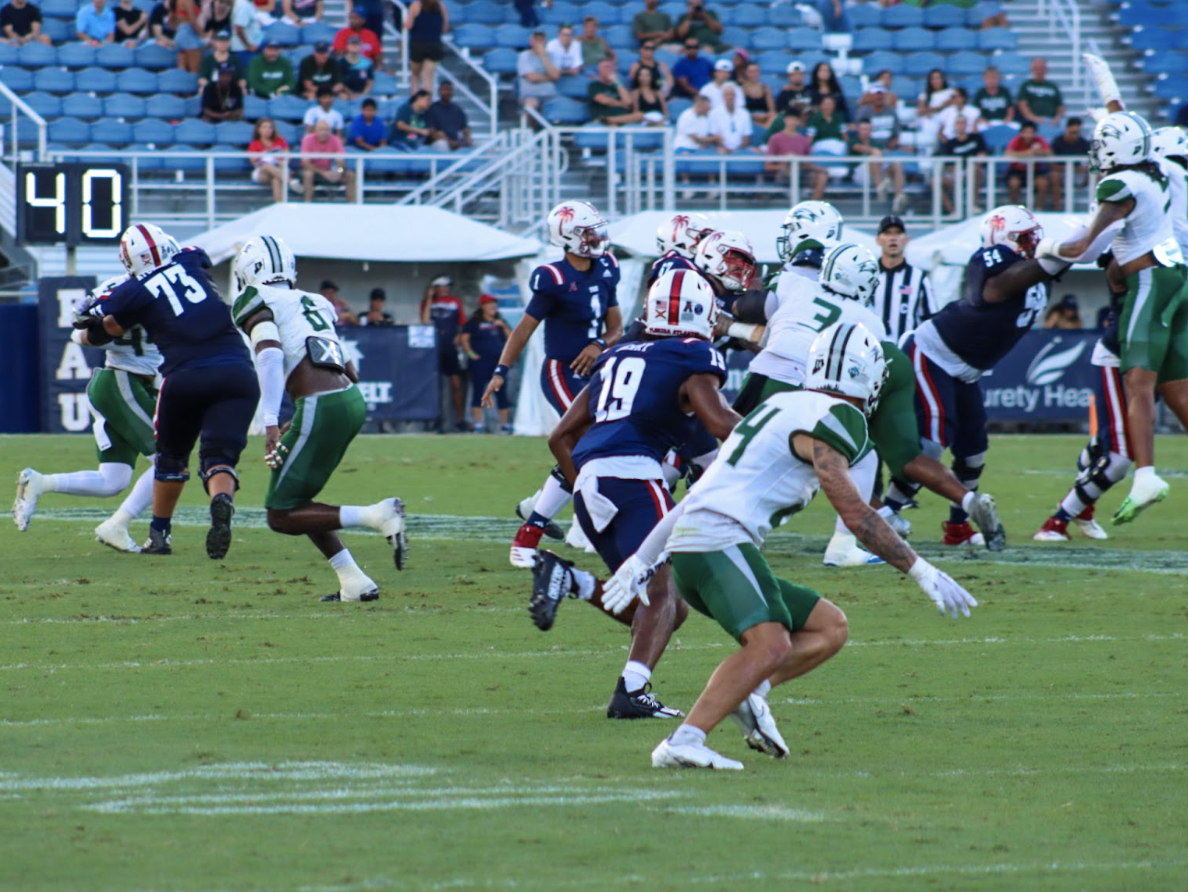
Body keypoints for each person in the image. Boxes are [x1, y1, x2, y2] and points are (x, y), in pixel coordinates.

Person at [600, 321, 977, 770]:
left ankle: (750, 694)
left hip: (697, 546)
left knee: (828, 627)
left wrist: (644, 558)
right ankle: (684, 740)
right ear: (867, 374)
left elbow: (699, 494)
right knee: (770, 646)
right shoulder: (840, 417)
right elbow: (856, 515)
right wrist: (923, 571)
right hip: (719, 540)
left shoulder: (776, 406)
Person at [733, 210, 1005, 558]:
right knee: (867, 457)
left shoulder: (792, 284)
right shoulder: (868, 319)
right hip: (883, 363)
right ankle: (941, 505)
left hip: (787, 379)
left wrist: (726, 323)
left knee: (749, 456)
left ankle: (847, 532)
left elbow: (756, 321)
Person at [539, 269, 740, 720]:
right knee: (664, 585)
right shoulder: (693, 354)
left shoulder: (618, 353)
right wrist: (779, 439)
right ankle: (631, 691)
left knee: (664, 606)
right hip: (634, 476)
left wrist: (586, 487)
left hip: (589, 480)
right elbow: (719, 423)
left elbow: (560, 437)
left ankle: (573, 582)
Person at [232, 235, 407, 602]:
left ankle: (377, 514)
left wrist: (269, 422)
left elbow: (269, 355)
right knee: (301, 500)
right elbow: (348, 366)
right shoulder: (315, 301)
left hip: (319, 404)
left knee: (281, 515)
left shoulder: (254, 299)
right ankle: (354, 581)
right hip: (348, 398)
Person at [71, 224, 260, 558]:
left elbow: (101, 326)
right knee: (219, 456)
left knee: (170, 458)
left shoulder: (133, 290)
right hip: (238, 371)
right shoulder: (191, 259)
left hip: (185, 375)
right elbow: (195, 257)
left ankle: (160, 535)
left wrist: (86, 316)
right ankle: (222, 499)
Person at [1038, 109, 1188, 524]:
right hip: (1176, 278)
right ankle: (1125, 471)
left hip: (1149, 281)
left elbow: (1081, 249)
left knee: (1137, 381)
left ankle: (1146, 475)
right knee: (1178, 387)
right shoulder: (1157, 171)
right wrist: (1112, 103)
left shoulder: (1119, 183)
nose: (1096, 152)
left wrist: (1042, 247)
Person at [886, 206, 1069, 546]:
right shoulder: (986, 262)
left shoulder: (1034, 273)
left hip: (967, 370)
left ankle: (958, 527)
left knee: (973, 452)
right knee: (932, 442)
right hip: (932, 352)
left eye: (1034, 238)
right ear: (1000, 237)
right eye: (1024, 239)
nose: (1033, 245)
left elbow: (1072, 253)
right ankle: (887, 512)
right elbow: (991, 291)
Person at [482, 200, 623, 567]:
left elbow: (616, 328)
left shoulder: (607, 266)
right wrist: (501, 371)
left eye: (596, 229)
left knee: (600, 440)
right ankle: (578, 516)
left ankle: (537, 511)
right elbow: (523, 330)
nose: (596, 237)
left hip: (600, 370)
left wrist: (600, 344)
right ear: (567, 236)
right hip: (562, 372)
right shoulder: (553, 277)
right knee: (589, 440)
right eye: (587, 232)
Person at [13, 275, 159, 551]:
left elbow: (78, 333)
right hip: (125, 383)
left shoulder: (112, 290)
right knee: (169, 460)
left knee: (112, 481)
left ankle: (40, 482)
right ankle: (119, 525)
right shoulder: (156, 289)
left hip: (113, 384)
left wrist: (91, 331)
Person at [870, 215, 934, 344]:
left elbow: (929, 319)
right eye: (887, 233)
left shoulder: (919, 278)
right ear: (878, 240)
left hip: (905, 352)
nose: (893, 238)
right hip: (871, 350)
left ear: (906, 239)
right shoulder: (867, 275)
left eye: (898, 233)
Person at [420, 275, 468, 431]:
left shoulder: (455, 302)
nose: (444, 289)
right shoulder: (428, 303)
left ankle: (459, 419)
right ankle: (435, 418)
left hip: (450, 348)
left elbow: (462, 324)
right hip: (433, 349)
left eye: (446, 286)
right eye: (441, 286)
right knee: (435, 386)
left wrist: (459, 337)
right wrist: (428, 298)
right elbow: (425, 321)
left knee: (456, 384)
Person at [460, 295, 513, 433]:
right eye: (490, 304)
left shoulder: (500, 321)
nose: (493, 307)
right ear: (483, 306)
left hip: (498, 363)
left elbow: (513, 338)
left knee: (501, 392)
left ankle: (505, 425)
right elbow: (464, 338)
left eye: (494, 304)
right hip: (480, 363)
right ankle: (478, 424)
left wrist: (503, 326)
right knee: (478, 391)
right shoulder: (475, 322)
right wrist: (471, 354)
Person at [764, 109, 826, 198]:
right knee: (790, 159)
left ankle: (812, 204)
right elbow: (768, 166)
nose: (792, 122)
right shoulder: (775, 139)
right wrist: (786, 162)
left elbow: (808, 163)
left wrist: (819, 169)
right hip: (784, 174)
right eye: (790, 119)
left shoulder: (804, 140)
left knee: (822, 176)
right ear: (785, 120)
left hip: (801, 173)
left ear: (798, 121)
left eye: (795, 119)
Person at [936, 114, 988, 214]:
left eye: (963, 122)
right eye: (958, 122)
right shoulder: (950, 143)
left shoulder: (976, 138)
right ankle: (953, 212)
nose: (961, 125)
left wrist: (974, 166)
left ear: (967, 124)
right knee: (935, 182)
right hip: (957, 173)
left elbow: (982, 154)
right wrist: (958, 173)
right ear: (955, 125)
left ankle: (973, 206)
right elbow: (949, 165)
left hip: (975, 170)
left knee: (974, 171)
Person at [301, 118, 355, 201]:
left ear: (330, 131)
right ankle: (307, 203)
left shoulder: (336, 140)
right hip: (315, 171)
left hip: (331, 171)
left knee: (350, 175)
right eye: (321, 130)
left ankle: (352, 205)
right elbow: (305, 163)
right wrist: (323, 173)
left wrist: (338, 172)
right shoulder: (307, 140)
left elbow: (341, 163)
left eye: (327, 130)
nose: (324, 132)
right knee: (308, 174)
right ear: (316, 130)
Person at [1005, 120, 1053, 208]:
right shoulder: (1016, 140)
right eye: (1026, 132)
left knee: (1042, 183)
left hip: (1035, 171)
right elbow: (1008, 153)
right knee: (1014, 183)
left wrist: (1040, 152)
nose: (1028, 135)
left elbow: (1049, 153)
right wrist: (1027, 153)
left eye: (1031, 132)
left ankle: (1039, 208)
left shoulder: (1039, 140)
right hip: (1017, 171)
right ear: (1021, 133)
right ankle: (1014, 208)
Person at [1050, 115, 1092, 209]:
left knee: (1096, 175)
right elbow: (1052, 164)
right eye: (1072, 132)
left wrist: (1084, 169)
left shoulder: (1083, 142)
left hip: (1077, 174)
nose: (1075, 135)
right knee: (1054, 176)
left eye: (1077, 133)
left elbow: (1091, 162)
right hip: (1061, 173)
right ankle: (1057, 208)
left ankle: (1094, 207)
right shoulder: (1058, 141)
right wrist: (1070, 168)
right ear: (1066, 129)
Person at [405, 0, 446, 95]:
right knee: (428, 78)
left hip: (418, 44)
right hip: (434, 44)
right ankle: (427, 104)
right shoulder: (441, 6)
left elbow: (408, 25)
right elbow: (444, 27)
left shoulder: (416, 5)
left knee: (415, 76)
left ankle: (415, 103)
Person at [588, 58, 643, 126]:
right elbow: (604, 100)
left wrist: (617, 82)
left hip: (621, 118)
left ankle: (611, 120)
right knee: (613, 126)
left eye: (611, 67)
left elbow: (628, 102)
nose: (609, 69)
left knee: (640, 115)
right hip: (603, 117)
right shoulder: (594, 85)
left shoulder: (618, 86)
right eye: (606, 67)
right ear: (600, 70)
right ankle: (610, 120)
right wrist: (622, 104)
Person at [248, 117, 291, 202]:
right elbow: (253, 161)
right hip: (262, 172)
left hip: (280, 168)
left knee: (276, 180)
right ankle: (290, 181)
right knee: (265, 165)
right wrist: (263, 153)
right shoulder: (254, 144)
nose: (268, 130)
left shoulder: (280, 141)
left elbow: (288, 157)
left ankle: (280, 208)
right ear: (259, 129)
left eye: (270, 127)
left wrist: (280, 160)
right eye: (264, 127)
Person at [517, 30, 560, 114]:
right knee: (531, 105)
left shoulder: (552, 55)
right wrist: (550, 77)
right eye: (537, 40)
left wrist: (544, 56)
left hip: (550, 94)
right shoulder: (524, 56)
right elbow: (532, 77)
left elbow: (556, 76)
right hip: (530, 94)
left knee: (562, 105)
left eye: (542, 40)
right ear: (531, 42)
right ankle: (532, 127)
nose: (539, 43)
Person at [1017, 56, 1064, 127]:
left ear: (1046, 70)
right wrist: (1033, 118)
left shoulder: (1053, 87)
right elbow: (1022, 105)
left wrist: (1057, 118)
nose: (1039, 72)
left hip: (1051, 120)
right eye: (1036, 69)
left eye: (1041, 69)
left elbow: (1060, 106)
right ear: (1032, 70)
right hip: (1031, 121)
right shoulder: (1026, 86)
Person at [916, 68, 955, 152]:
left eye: (938, 78)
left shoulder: (950, 92)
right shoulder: (925, 94)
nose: (935, 81)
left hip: (945, 121)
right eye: (933, 78)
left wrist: (930, 110)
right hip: (930, 122)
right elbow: (920, 111)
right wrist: (938, 108)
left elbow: (949, 104)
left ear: (942, 79)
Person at [425, 81, 471, 151]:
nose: (447, 92)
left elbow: (465, 128)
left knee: (482, 145)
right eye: (444, 89)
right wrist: (450, 142)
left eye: (449, 90)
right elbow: (432, 132)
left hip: (457, 141)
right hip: (439, 141)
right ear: (439, 91)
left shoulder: (457, 109)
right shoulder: (432, 109)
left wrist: (467, 140)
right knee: (442, 144)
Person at [197, 29, 245, 93]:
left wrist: (241, 87)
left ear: (229, 42)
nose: (223, 44)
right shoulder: (207, 60)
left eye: (225, 41)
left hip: (231, 90)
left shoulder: (236, 60)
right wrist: (209, 86)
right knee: (202, 90)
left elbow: (242, 79)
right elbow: (202, 78)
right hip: (212, 90)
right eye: (220, 41)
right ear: (215, 42)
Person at [708, 83, 751, 154]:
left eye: (732, 95)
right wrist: (726, 149)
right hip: (721, 150)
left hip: (740, 150)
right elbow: (714, 135)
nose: (729, 97)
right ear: (722, 97)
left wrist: (738, 150)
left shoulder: (744, 113)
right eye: (727, 95)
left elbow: (746, 136)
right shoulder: (714, 113)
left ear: (735, 96)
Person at [973, 65, 1014, 129]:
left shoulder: (1005, 92)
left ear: (998, 78)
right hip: (986, 123)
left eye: (994, 78)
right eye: (989, 78)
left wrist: (1005, 122)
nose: (992, 80)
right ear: (984, 79)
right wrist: (986, 123)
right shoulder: (980, 93)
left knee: (1016, 126)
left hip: (1002, 121)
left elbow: (1010, 111)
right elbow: (977, 113)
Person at [739, 62, 775, 130]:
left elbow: (772, 110)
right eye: (751, 72)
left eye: (756, 71)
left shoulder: (765, 88)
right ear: (746, 73)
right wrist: (754, 116)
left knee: (774, 118)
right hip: (749, 120)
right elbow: (740, 110)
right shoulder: (742, 89)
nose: (754, 74)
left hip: (765, 120)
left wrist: (765, 116)